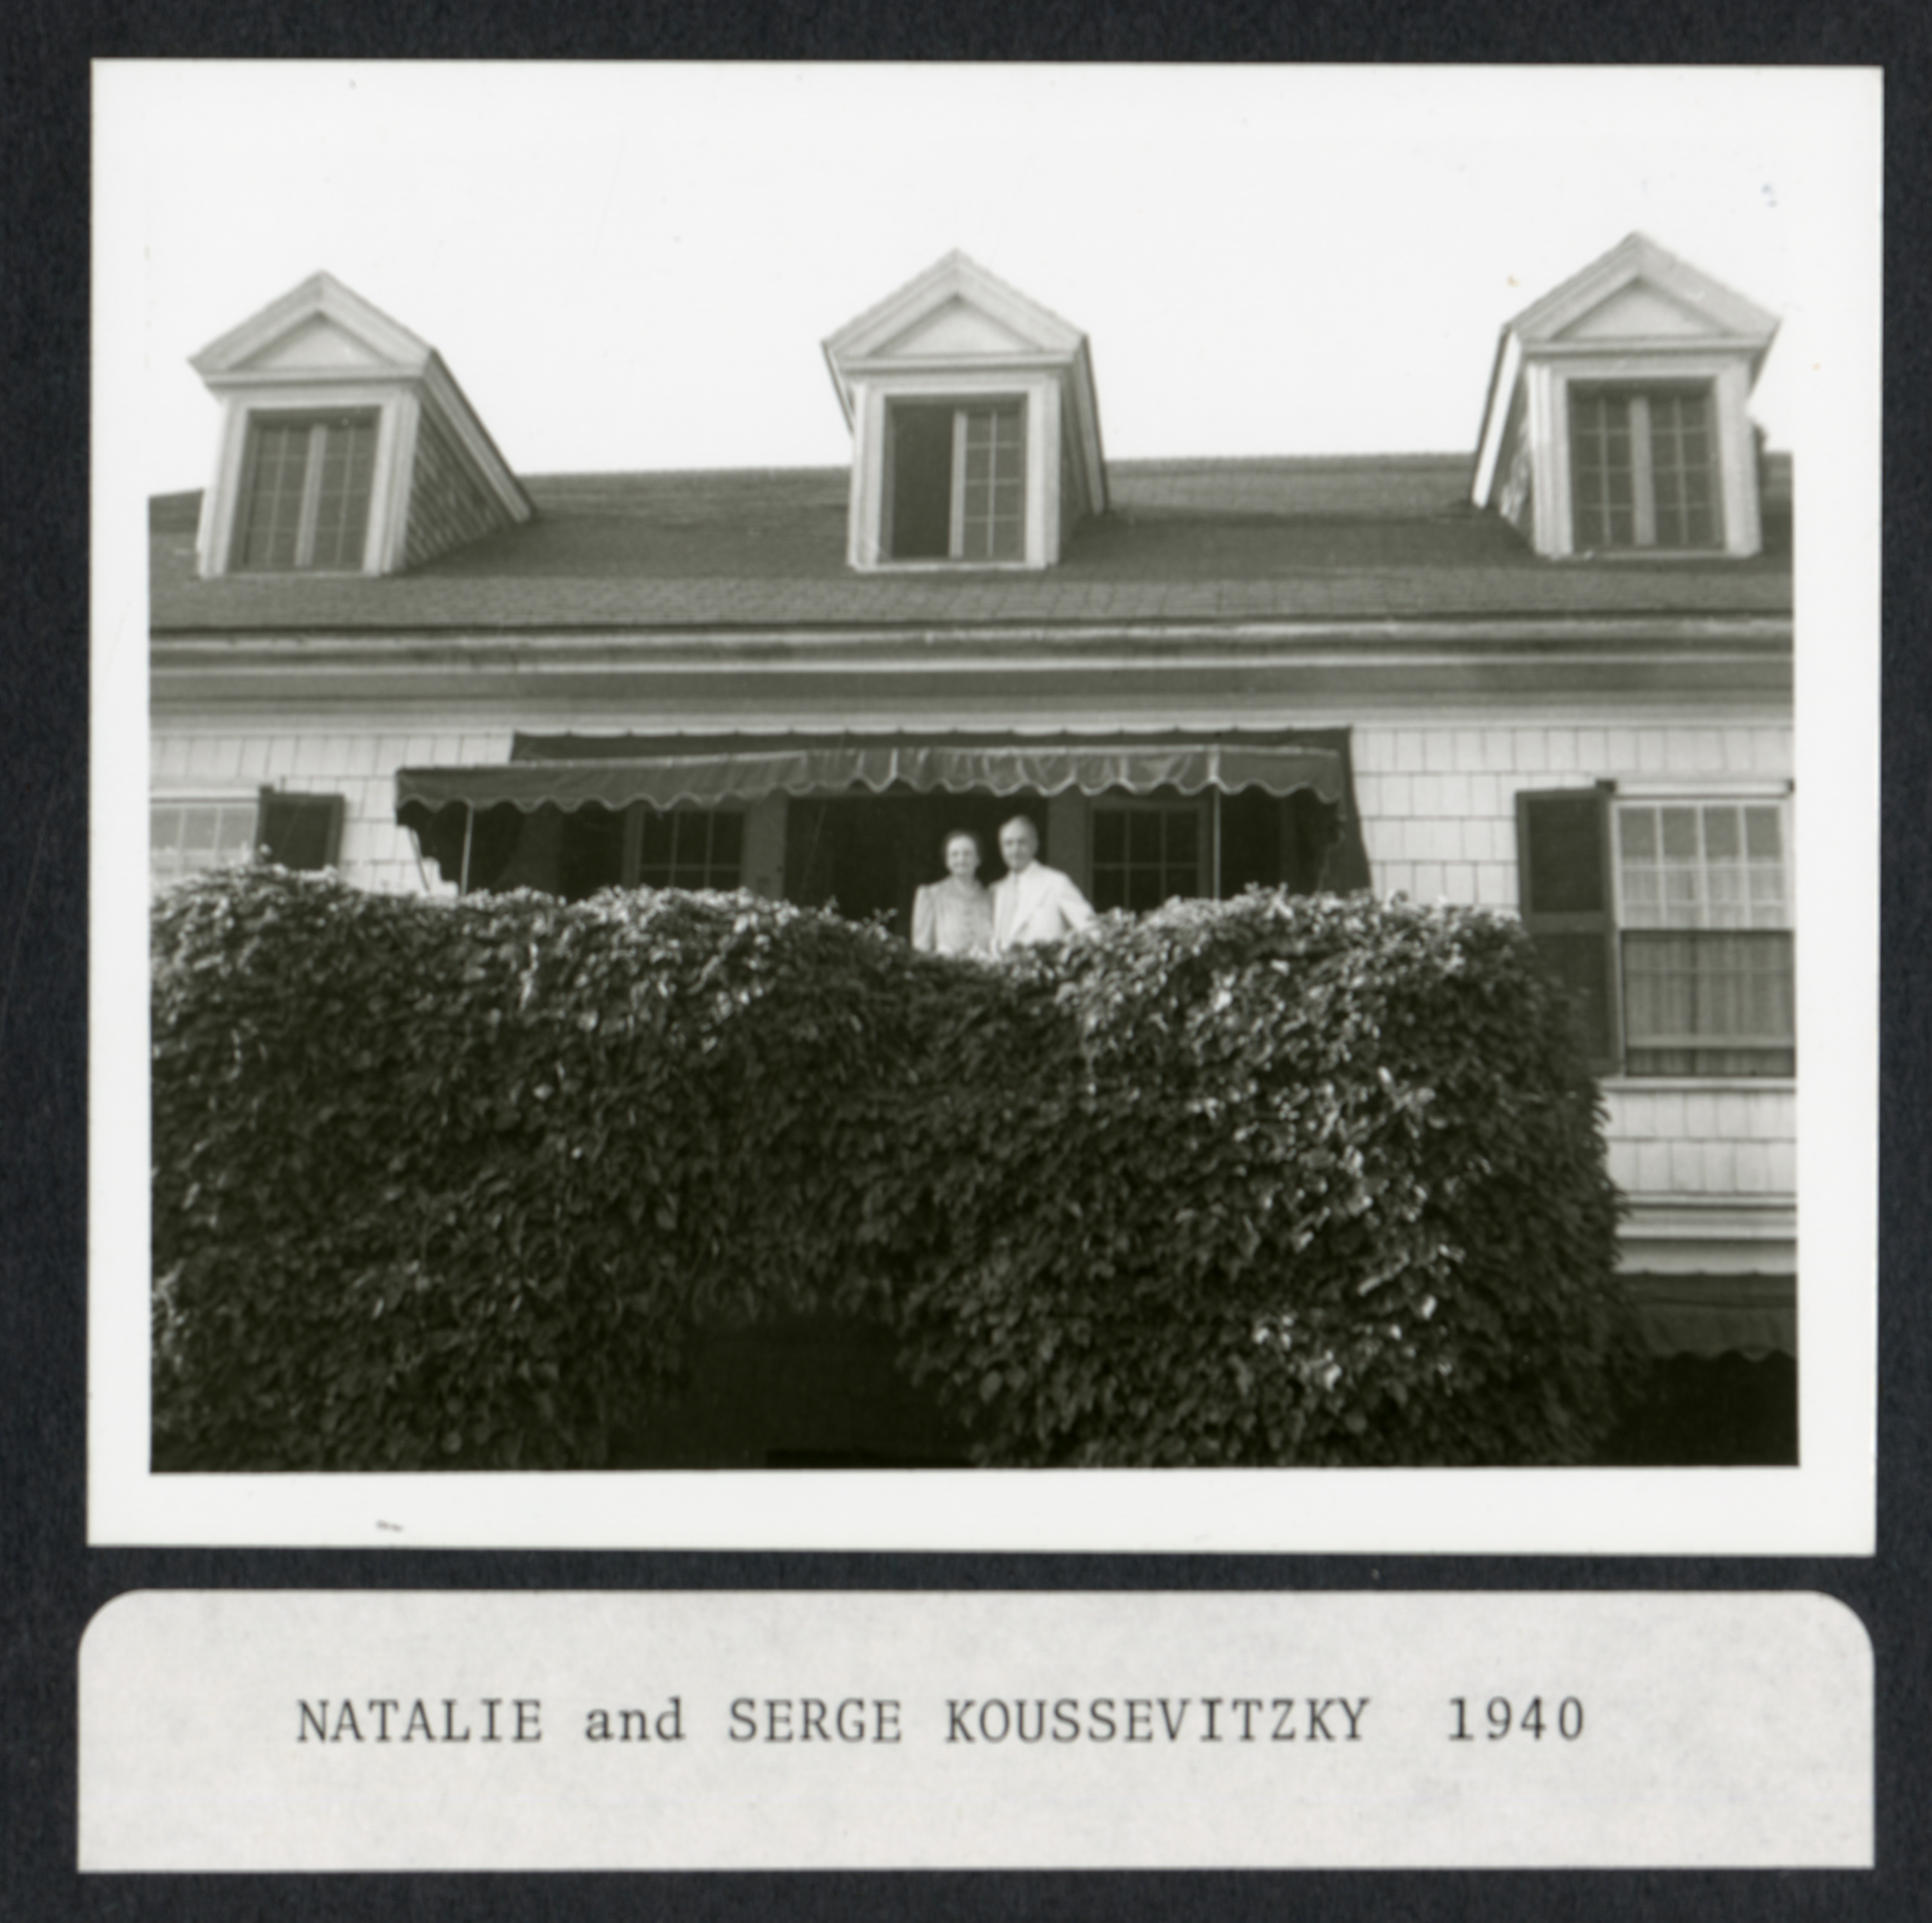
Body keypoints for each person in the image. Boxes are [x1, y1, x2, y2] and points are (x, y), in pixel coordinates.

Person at [991, 815, 1096, 953]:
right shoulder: (996, 890)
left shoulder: (1056, 882)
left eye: (1022, 842)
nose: (1015, 850)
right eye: (1008, 844)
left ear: (1035, 845)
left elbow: (1092, 930)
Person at [911, 828, 995, 957]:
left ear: (978, 859)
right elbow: (921, 951)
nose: (961, 859)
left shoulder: (990, 897)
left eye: (967, 854)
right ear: (947, 861)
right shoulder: (931, 895)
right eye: (954, 854)